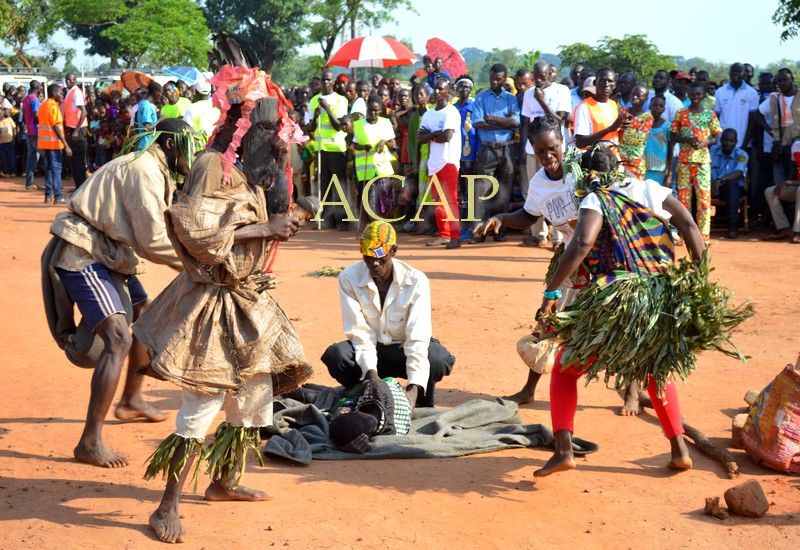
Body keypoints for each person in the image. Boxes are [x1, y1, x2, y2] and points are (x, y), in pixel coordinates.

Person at [134, 84, 312, 543]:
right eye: (271, 129)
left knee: (253, 402)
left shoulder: (250, 172)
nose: (278, 140)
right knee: (201, 406)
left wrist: (280, 224)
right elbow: (197, 232)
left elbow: (243, 229)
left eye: (281, 130)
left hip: (249, 300)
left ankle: (224, 481)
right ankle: (165, 507)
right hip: (213, 304)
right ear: (243, 128)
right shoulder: (212, 164)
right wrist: (265, 227)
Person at [533, 144, 708, 477]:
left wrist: (552, 290)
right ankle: (679, 448)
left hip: (615, 300)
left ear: (589, 175)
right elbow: (689, 225)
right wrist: (702, 282)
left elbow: (582, 243)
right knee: (656, 368)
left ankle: (564, 449)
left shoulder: (596, 198)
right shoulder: (650, 188)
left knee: (566, 369)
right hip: (658, 302)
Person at [46, 118, 197, 469]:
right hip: (84, 251)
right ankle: (89, 442)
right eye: (189, 146)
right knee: (117, 339)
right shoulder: (144, 169)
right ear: (173, 145)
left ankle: (131, 400)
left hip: (111, 253)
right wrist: (197, 266)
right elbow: (153, 239)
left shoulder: (155, 169)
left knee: (144, 314)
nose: (193, 153)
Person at [472, 115, 582, 403]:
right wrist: (500, 217)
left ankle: (633, 390)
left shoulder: (581, 167)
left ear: (563, 141)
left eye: (553, 148)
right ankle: (529, 389)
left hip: (607, 259)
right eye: (540, 150)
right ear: (532, 148)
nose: (548, 156)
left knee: (618, 321)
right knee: (548, 317)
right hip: (571, 258)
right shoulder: (539, 184)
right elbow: (528, 215)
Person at [322, 221, 456, 408]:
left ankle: (419, 400)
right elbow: (359, 333)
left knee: (437, 357)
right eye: (368, 257)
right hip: (372, 350)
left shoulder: (416, 280)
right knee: (337, 355)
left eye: (380, 257)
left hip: (404, 350)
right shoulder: (348, 278)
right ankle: (364, 395)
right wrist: (372, 376)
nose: (374, 263)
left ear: (393, 251)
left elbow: (417, 337)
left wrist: (412, 389)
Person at [519, 60, 572, 247]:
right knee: (534, 191)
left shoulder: (561, 90)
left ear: (550, 75)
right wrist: (523, 149)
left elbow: (562, 121)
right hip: (533, 149)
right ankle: (539, 234)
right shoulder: (528, 93)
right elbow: (525, 123)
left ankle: (559, 236)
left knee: (559, 192)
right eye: (536, 78)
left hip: (554, 149)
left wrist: (541, 101)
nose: (539, 82)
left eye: (542, 77)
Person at [468, 63, 520, 243]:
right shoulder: (481, 97)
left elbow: (515, 123)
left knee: (504, 192)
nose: (495, 82)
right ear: (489, 77)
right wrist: (503, 123)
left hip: (507, 148)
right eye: (493, 79)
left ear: (504, 79)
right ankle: (479, 232)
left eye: (499, 79)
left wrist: (491, 119)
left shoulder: (511, 99)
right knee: (481, 191)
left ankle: (500, 231)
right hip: (487, 148)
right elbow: (477, 123)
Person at [667, 81, 722, 244]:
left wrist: (705, 143)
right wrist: (687, 139)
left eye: (698, 94)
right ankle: (685, 235)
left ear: (703, 95)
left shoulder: (710, 114)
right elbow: (672, 136)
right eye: (692, 94)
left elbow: (716, 136)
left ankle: (704, 236)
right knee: (684, 200)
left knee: (704, 199)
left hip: (703, 162)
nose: (695, 97)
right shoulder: (681, 113)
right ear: (688, 94)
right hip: (684, 161)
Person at [418, 79, 462, 249]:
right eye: (435, 89)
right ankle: (444, 235)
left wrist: (431, 134)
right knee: (438, 202)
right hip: (434, 163)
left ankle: (455, 236)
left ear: (448, 91)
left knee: (451, 200)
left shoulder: (451, 112)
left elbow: (447, 137)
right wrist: (435, 133)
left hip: (448, 161)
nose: (437, 92)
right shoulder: (428, 114)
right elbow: (420, 138)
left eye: (440, 89)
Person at [307, 69, 349, 229]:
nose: (325, 82)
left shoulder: (341, 100)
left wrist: (327, 109)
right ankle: (326, 217)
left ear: (333, 82)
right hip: (320, 149)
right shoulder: (314, 100)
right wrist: (316, 116)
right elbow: (309, 128)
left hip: (337, 149)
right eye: (323, 79)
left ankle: (342, 219)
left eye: (328, 80)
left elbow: (339, 126)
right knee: (323, 186)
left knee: (338, 185)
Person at [351, 95, 397, 230]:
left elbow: (393, 144)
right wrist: (364, 147)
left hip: (383, 169)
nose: (373, 113)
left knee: (384, 202)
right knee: (368, 202)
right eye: (371, 110)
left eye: (376, 110)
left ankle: (381, 227)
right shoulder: (359, 125)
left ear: (380, 110)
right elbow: (354, 145)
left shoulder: (385, 123)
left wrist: (384, 142)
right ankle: (372, 228)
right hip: (365, 169)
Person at [573, 67, 627, 150]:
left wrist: (623, 127)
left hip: (613, 158)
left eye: (610, 81)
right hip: (594, 159)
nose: (606, 85)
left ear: (615, 85)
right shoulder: (584, 107)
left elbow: (614, 137)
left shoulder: (613, 104)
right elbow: (580, 142)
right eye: (602, 81)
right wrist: (609, 129)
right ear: (595, 83)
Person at [710, 128, 748, 238]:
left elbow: (739, 172)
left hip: (733, 189)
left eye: (731, 141)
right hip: (713, 187)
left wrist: (721, 180)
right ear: (721, 140)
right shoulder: (713, 150)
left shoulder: (742, 154)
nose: (728, 143)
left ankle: (732, 226)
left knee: (732, 185)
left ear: (736, 142)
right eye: (726, 140)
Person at [38, 84, 72, 204]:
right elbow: (56, 127)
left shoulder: (43, 105)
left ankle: (48, 196)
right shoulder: (53, 107)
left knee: (48, 169)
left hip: (44, 143)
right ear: (53, 94)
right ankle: (58, 196)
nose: (62, 95)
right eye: (60, 93)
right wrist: (66, 145)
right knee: (56, 169)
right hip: (54, 144)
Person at [714, 63, 759, 149]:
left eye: (738, 71)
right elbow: (716, 118)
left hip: (742, 142)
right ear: (729, 73)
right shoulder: (720, 92)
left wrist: (745, 144)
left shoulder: (752, 93)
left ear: (744, 74)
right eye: (733, 71)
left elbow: (752, 121)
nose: (735, 73)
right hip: (722, 142)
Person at [764, 137, 800, 242]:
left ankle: (798, 232)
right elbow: (793, 170)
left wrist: (788, 183)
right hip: (796, 186)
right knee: (770, 192)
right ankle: (784, 228)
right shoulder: (796, 145)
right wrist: (786, 184)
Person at [618, 84, 654, 180]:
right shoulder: (622, 111)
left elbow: (638, 138)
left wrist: (621, 130)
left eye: (639, 95)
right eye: (633, 94)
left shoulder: (647, 117)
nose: (635, 97)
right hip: (619, 161)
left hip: (636, 163)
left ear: (646, 98)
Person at [63, 73, 89, 188]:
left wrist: (76, 130)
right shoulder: (69, 92)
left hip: (78, 129)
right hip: (72, 127)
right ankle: (78, 185)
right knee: (74, 160)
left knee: (78, 160)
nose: (68, 82)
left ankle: (80, 187)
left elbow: (84, 112)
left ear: (75, 81)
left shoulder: (76, 92)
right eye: (67, 80)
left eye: (71, 80)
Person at [644, 96, 670, 184]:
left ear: (664, 109)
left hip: (660, 169)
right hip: (643, 166)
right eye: (654, 105)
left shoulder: (667, 126)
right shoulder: (643, 124)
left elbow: (671, 150)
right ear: (649, 106)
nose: (657, 108)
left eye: (661, 106)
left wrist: (669, 173)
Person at [22, 80, 41, 190]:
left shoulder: (26, 99)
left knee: (31, 158)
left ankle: (29, 183)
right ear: (38, 87)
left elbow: (25, 116)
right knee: (45, 157)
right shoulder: (34, 100)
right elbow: (36, 115)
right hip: (36, 131)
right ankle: (51, 185)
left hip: (29, 131)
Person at [0, 108, 16, 177]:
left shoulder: (9, 119)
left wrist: (14, 139)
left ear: (3, 113)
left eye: (1, 113)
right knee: (4, 159)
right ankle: (6, 173)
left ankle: (13, 172)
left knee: (11, 158)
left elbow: (14, 129)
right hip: (1, 143)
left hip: (10, 142)